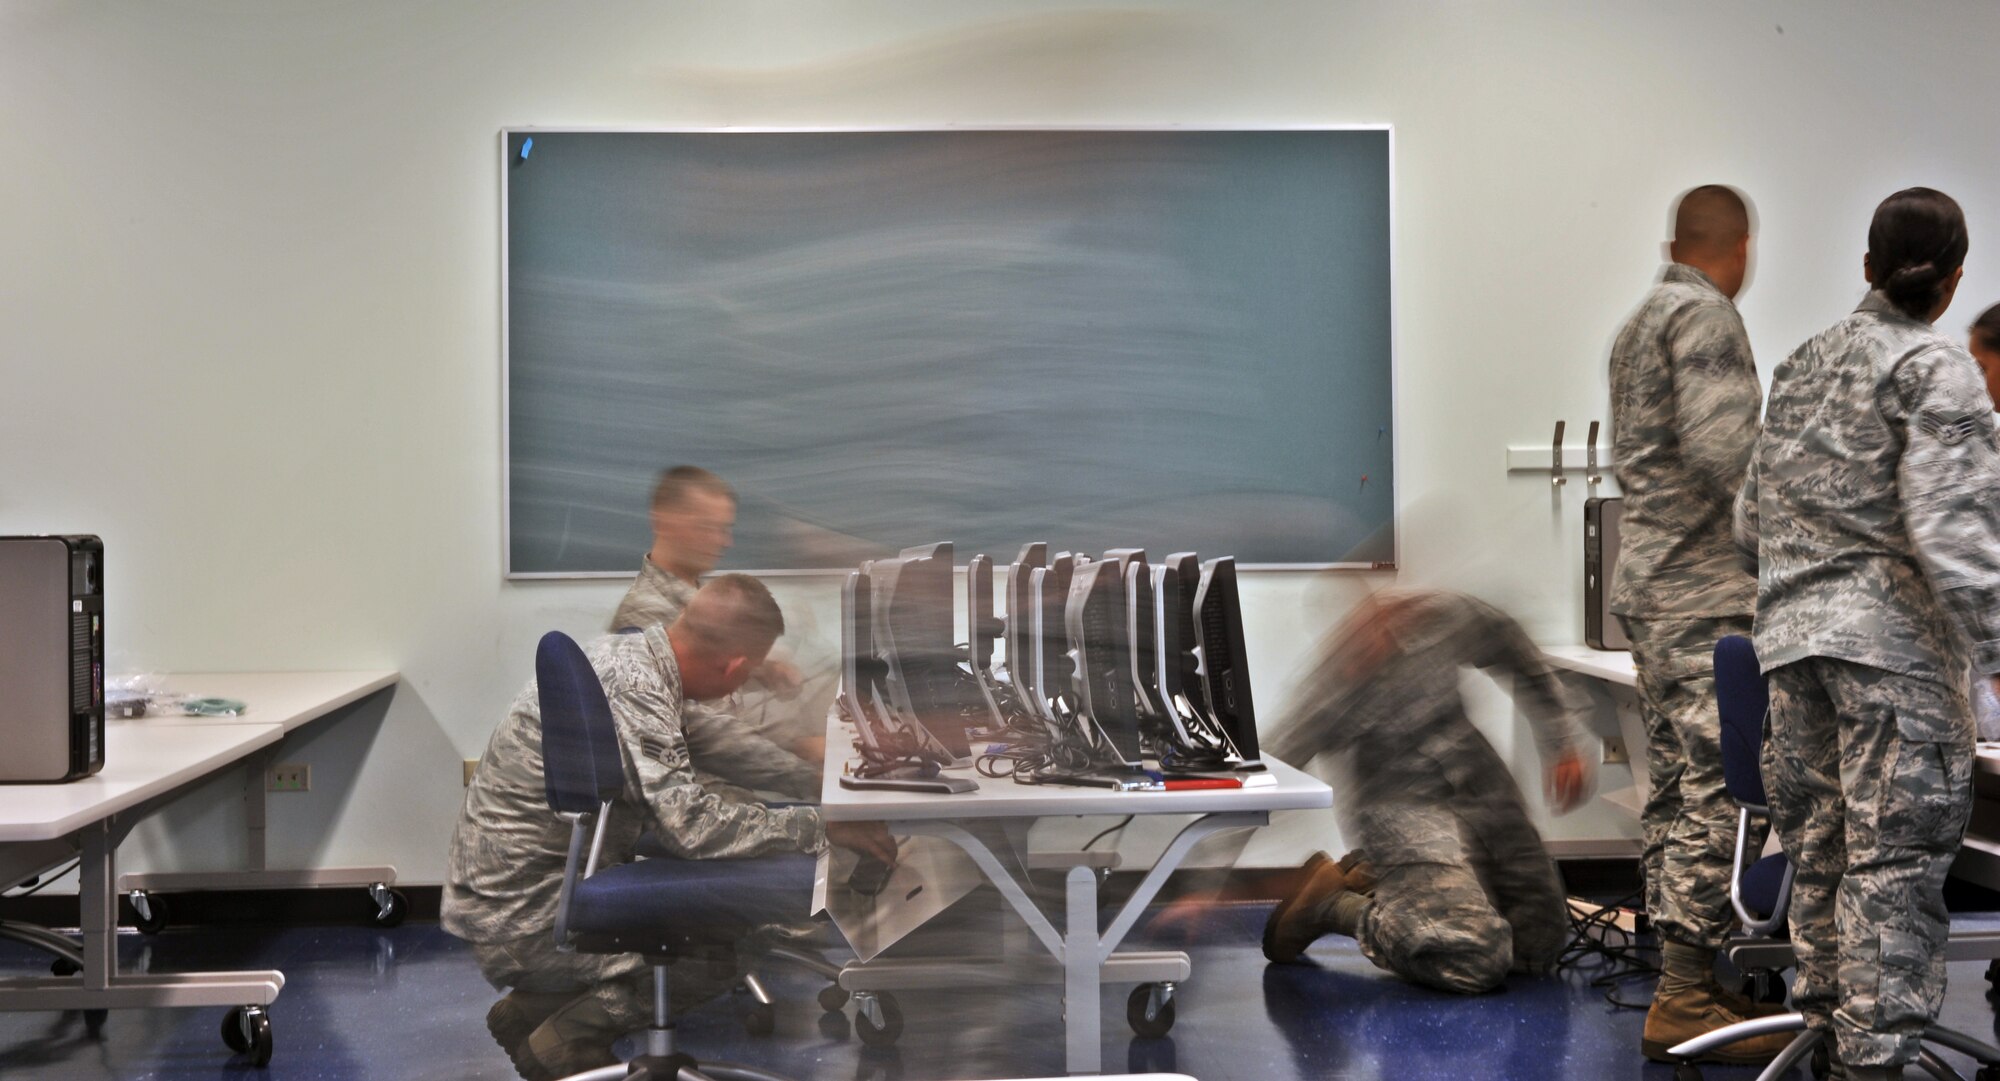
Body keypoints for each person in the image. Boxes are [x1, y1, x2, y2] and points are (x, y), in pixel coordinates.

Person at [1736, 187, 2000, 1081]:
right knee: (1889, 872)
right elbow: (1957, 536)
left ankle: (1826, 1031)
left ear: (1865, 267)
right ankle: (1874, 1063)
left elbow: (1748, 524)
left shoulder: (1802, 363)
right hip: (1894, 660)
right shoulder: (1938, 370)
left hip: (1794, 652)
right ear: (1956, 278)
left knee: (1819, 851)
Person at [445, 575, 900, 1081]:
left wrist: (829, 783)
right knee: (733, 935)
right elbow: (692, 827)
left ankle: (530, 1013)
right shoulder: (638, 687)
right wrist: (823, 826)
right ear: (735, 668)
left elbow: (727, 746)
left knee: (734, 888)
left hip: (518, 892)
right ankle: (570, 1035)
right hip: (524, 917)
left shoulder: (633, 658)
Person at [1608, 185, 1790, 1062]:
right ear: (1740, 245)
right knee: (1724, 779)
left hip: (1653, 587)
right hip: (1702, 595)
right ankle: (1683, 993)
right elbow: (1734, 465)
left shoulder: (1641, 316)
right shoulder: (1706, 317)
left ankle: (1681, 977)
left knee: (1678, 781)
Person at [1259, 590, 1591, 994]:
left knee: (1537, 946)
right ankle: (1333, 908)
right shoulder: (1329, 690)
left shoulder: (1439, 619)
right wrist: (1201, 886)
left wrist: (1561, 741)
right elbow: (1264, 776)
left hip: (1481, 791)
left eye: (1371, 630)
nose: (1362, 650)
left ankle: (1388, 883)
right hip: (1402, 812)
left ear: (1384, 615)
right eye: (1349, 645)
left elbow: (1509, 642)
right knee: (1475, 959)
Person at [613, 466, 826, 803]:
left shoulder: (701, 599)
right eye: (706, 528)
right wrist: (801, 756)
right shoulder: (644, 619)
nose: (722, 541)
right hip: (698, 790)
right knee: (836, 833)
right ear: (662, 520)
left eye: (724, 529)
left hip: (731, 775)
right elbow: (702, 731)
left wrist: (758, 672)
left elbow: (717, 701)